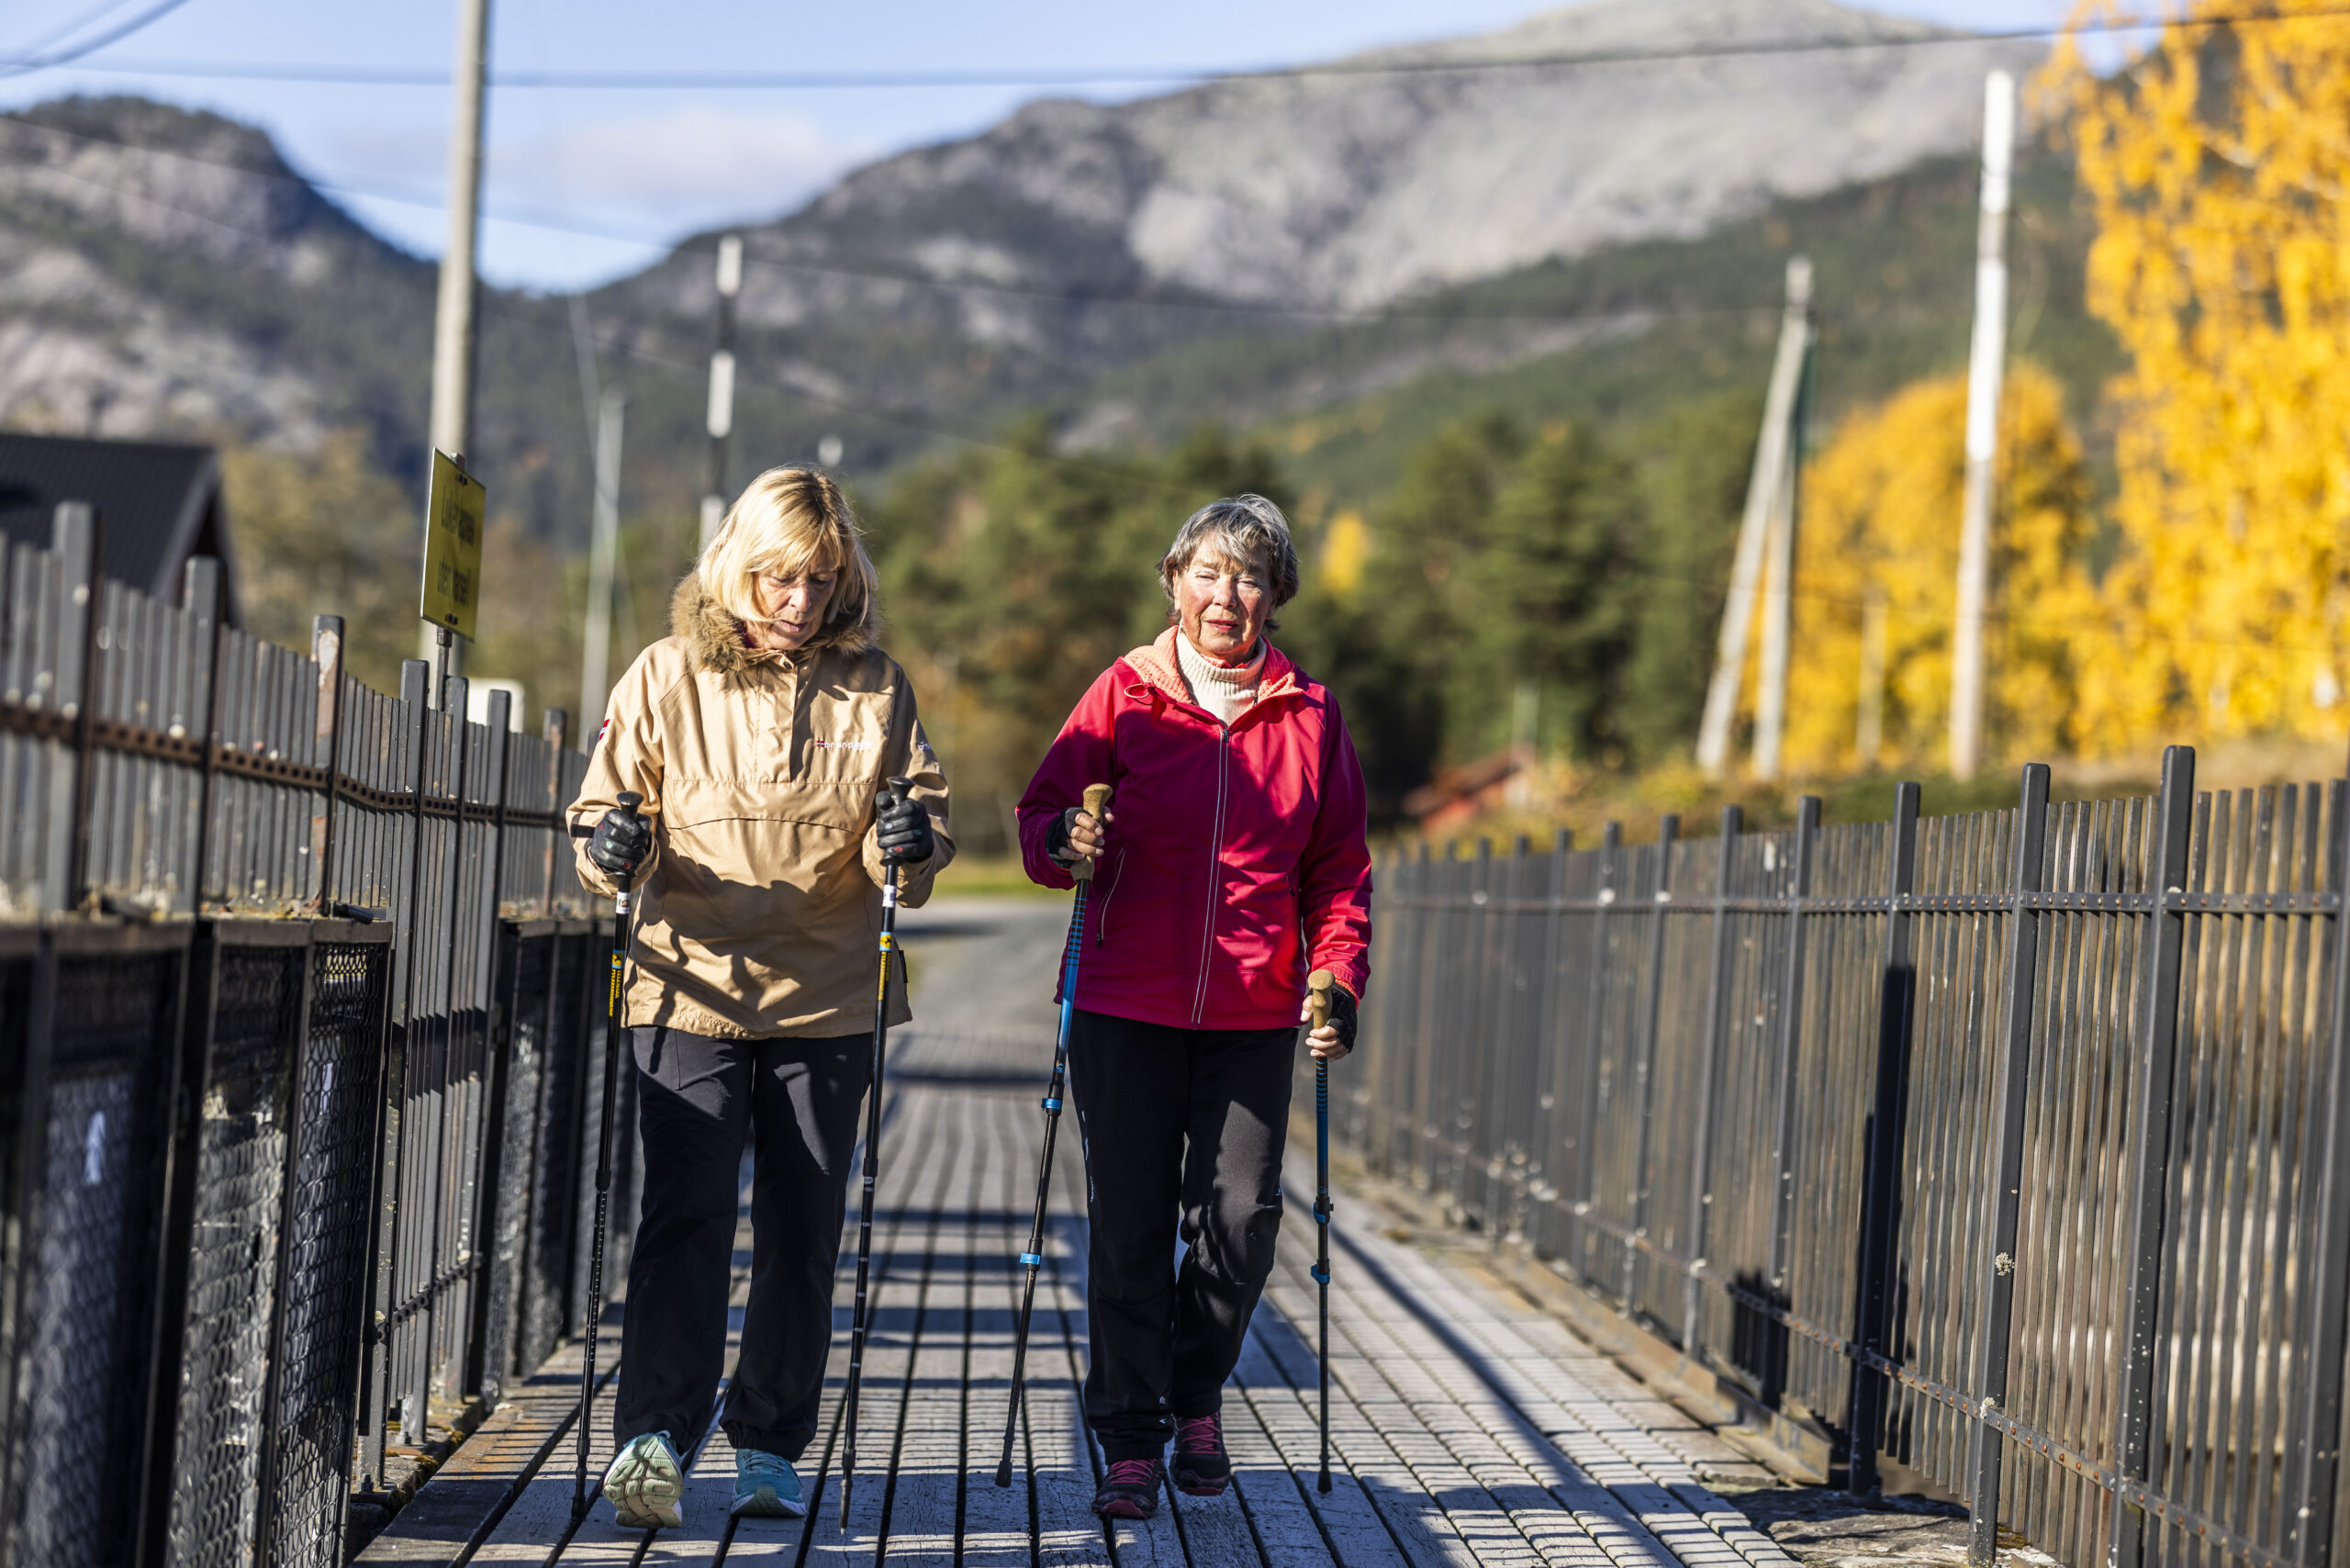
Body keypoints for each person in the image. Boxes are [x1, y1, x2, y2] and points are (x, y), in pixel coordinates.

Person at [569, 466, 952, 1529]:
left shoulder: (876, 686)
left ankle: (770, 1443)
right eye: (778, 578)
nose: (797, 602)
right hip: (687, 985)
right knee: (684, 1216)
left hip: (827, 995)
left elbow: (914, 826)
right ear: (737, 566)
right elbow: (598, 818)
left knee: (803, 1228)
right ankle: (655, 1434)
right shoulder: (661, 675)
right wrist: (610, 846)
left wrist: (909, 847)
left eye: (820, 581)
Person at [1015, 492, 1372, 1519]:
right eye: (1210, 572)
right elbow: (1043, 812)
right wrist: (1059, 846)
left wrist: (1335, 975)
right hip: (1125, 999)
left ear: (1275, 597)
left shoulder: (1310, 713)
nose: (1229, 594)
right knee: (1126, 1228)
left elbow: (1340, 868)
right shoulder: (1123, 692)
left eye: (1251, 576)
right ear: (1175, 581)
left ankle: (1192, 1392)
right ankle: (1130, 1435)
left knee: (1241, 1220)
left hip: (1255, 1005)